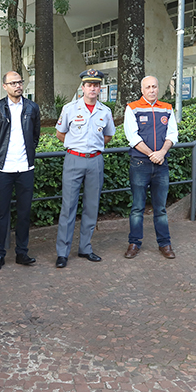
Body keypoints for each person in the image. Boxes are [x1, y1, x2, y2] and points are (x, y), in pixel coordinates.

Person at [54, 69, 115, 268]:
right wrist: (77, 146)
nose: (93, 88)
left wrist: (91, 148)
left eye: (96, 85)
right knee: (68, 207)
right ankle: (62, 252)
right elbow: (60, 133)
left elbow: (107, 136)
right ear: (83, 87)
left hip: (95, 161)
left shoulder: (105, 111)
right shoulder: (70, 108)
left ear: (100, 88)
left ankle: (85, 248)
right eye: (89, 85)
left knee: (91, 206)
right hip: (74, 159)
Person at [0, 70, 41, 272]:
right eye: (13, 82)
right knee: (1, 213)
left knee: (24, 212)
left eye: (20, 82)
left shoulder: (32, 108)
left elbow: (35, 136)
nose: (18, 85)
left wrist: (28, 154)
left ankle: (22, 252)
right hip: (4, 169)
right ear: (5, 86)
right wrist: (1, 154)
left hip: (26, 168)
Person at [123, 75, 178, 259]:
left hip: (161, 164)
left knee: (160, 208)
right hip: (140, 164)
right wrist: (152, 155)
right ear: (142, 90)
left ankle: (165, 244)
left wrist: (162, 152)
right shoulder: (132, 108)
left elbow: (173, 133)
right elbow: (132, 137)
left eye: (155, 86)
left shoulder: (167, 108)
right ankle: (134, 243)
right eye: (148, 87)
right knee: (137, 207)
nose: (152, 90)